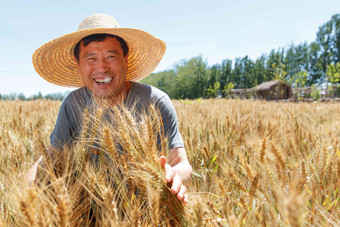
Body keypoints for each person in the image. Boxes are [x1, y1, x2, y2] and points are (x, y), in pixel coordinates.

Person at [26, 14, 192, 204]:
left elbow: (182, 165)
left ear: (125, 59)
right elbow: (49, 160)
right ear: (78, 64)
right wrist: (22, 194)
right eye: (91, 58)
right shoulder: (72, 104)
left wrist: (175, 176)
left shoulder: (156, 102)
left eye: (111, 56)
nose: (102, 68)